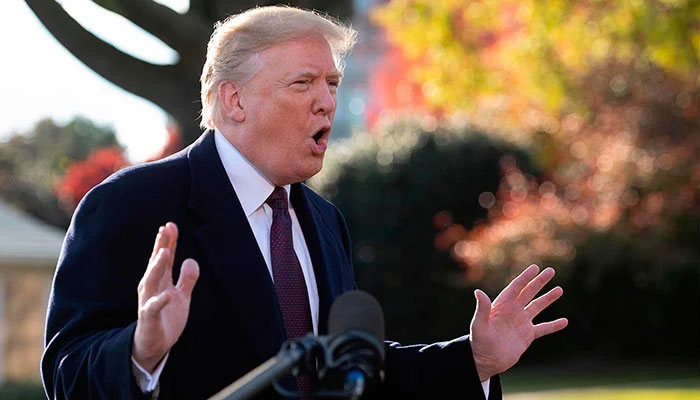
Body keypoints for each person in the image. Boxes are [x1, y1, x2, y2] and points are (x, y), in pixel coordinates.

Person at [41, 6, 567, 400]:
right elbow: (66, 372)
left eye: (333, 83)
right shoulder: (128, 205)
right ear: (234, 100)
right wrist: (140, 352)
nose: (327, 101)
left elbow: (349, 370)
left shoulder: (322, 219)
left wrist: (474, 360)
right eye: (303, 83)